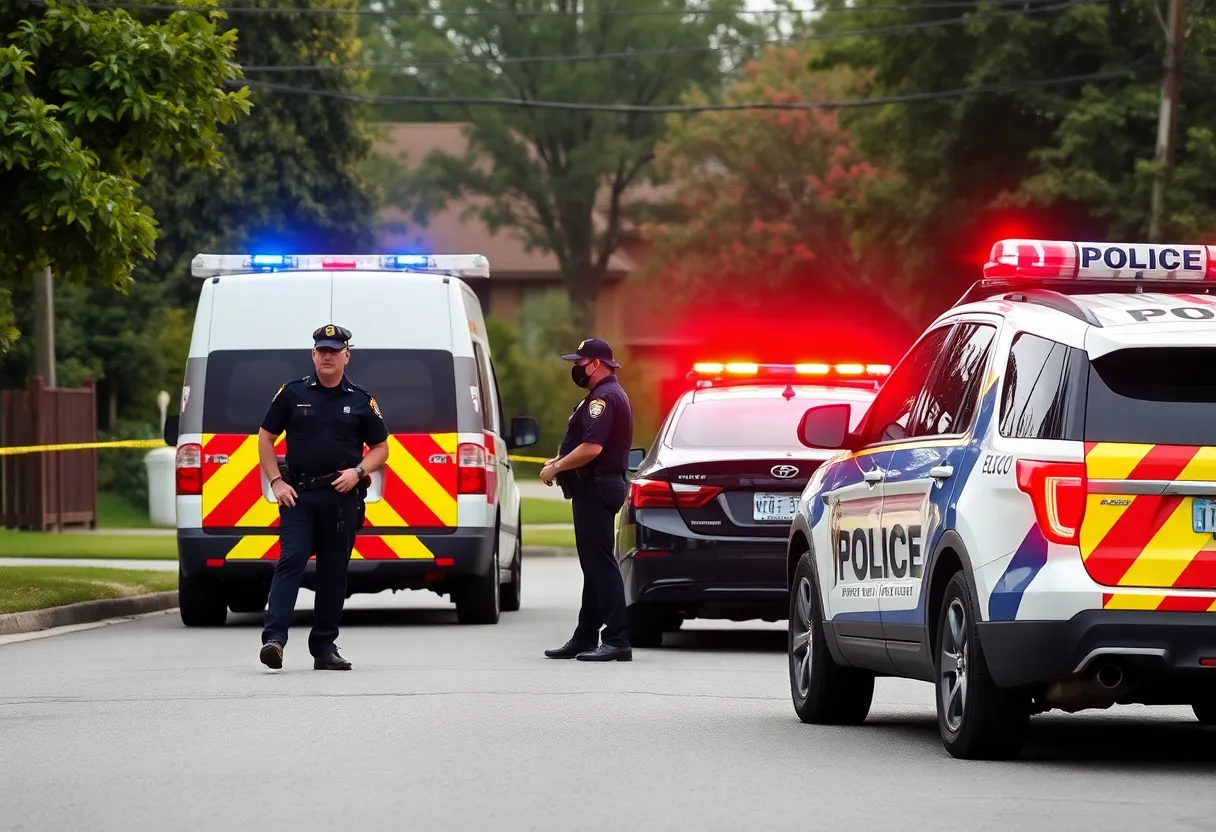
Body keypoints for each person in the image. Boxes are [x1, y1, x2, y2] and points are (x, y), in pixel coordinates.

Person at [256, 324, 390, 671]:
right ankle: (274, 640)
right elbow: (265, 438)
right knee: (292, 562)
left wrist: (358, 472)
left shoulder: (361, 400)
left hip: (341, 498)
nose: (327, 356)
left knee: (333, 574)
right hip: (298, 497)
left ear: (347, 355)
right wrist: (276, 482)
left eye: (334, 350)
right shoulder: (291, 393)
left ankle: (324, 647)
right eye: (321, 350)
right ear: (313, 354)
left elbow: (381, 449)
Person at [541, 338, 634, 662]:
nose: (576, 369)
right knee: (593, 565)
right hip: (593, 487)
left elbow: (592, 449)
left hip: (597, 486)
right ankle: (585, 636)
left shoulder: (605, 398)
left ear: (595, 363)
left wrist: (556, 466)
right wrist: (560, 461)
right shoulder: (599, 396)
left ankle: (617, 638)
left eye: (579, 363)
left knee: (600, 565)